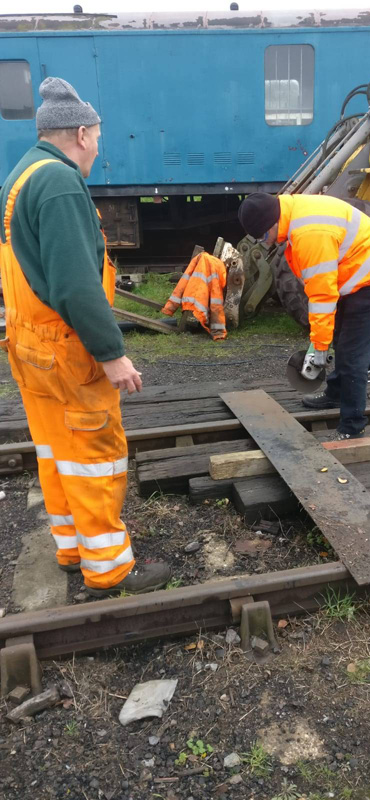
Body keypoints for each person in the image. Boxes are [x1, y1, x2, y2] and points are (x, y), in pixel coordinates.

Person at [0, 77, 171, 597]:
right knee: (94, 454)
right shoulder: (59, 182)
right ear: (80, 133)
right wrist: (111, 353)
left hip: (29, 343)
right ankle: (110, 568)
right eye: (97, 137)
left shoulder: (21, 174)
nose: (98, 147)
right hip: (65, 347)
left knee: (57, 452)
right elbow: (75, 284)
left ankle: (73, 548)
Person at [238, 192, 370, 439]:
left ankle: (352, 426)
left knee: (352, 354)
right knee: (341, 338)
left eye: (262, 236)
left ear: (271, 224)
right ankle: (336, 394)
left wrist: (320, 348)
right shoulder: (292, 211)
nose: (265, 242)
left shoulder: (309, 234)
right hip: (354, 273)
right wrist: (322, 339)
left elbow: (322, 297)